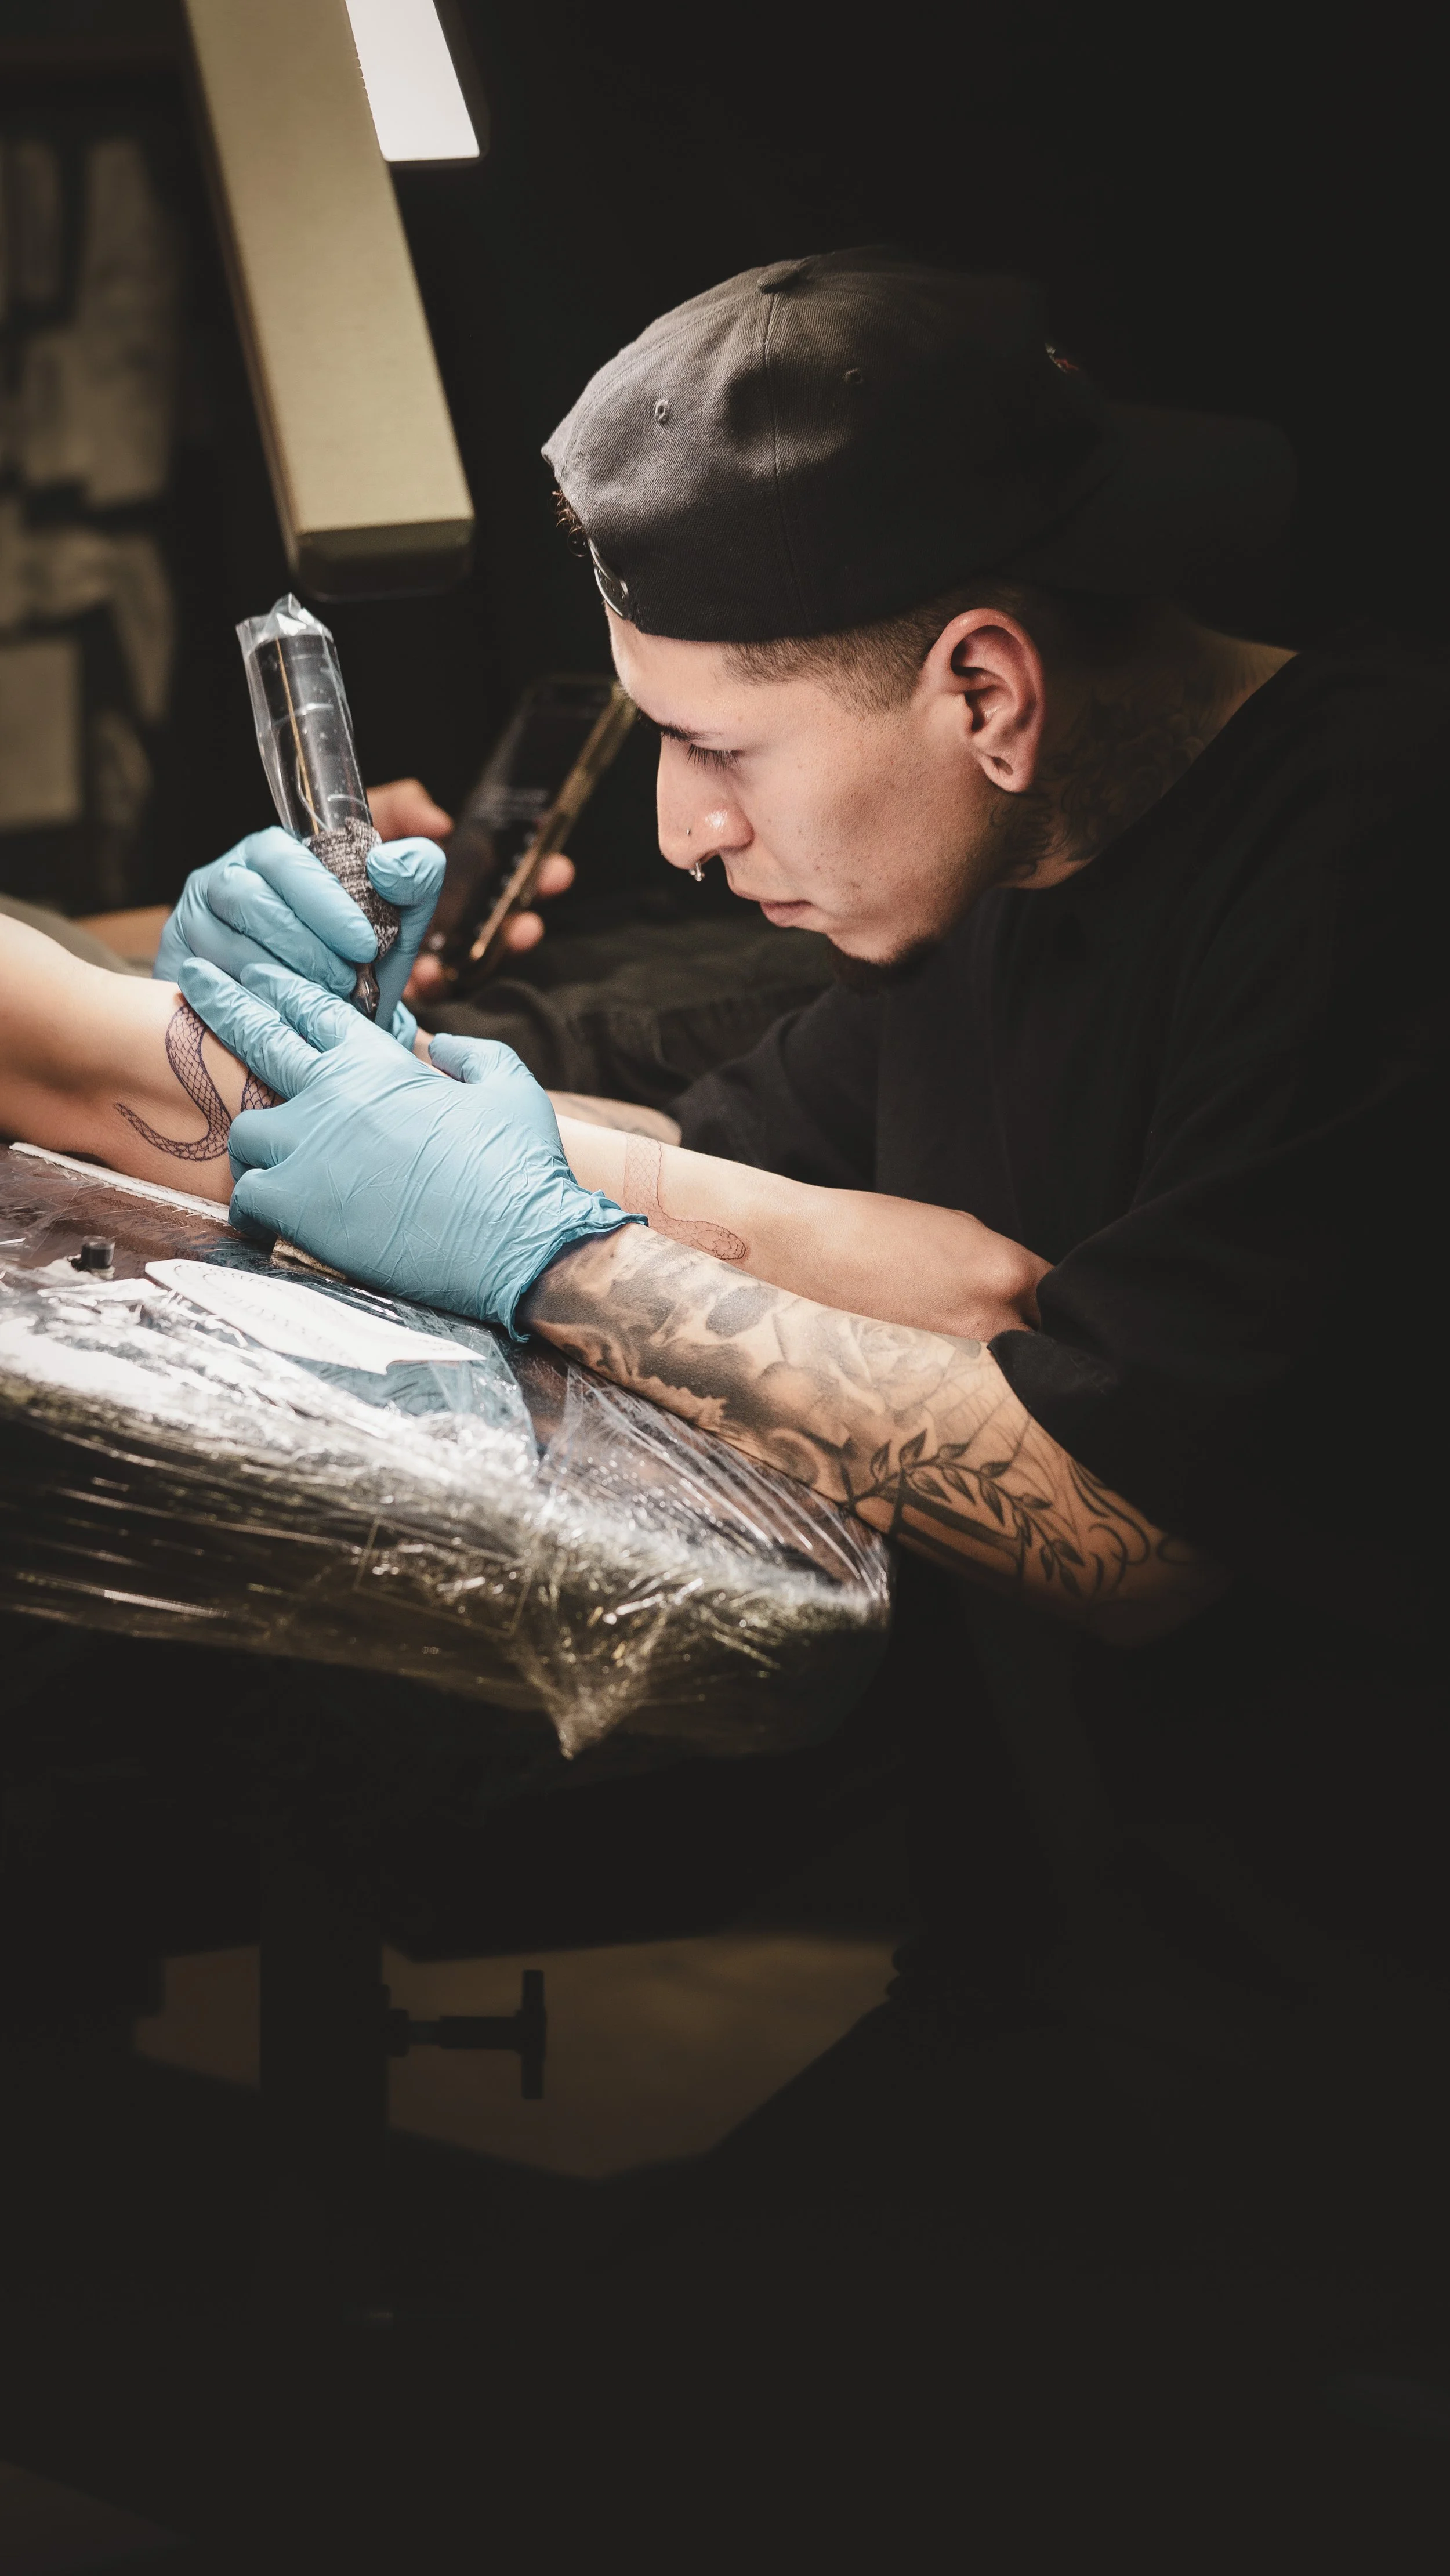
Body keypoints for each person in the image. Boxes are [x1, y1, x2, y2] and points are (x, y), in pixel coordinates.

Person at [162, 253, 1444, 1982]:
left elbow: (1135, 1523)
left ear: (985, 692)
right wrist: (366, 1061)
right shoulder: (1004, 860)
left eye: (720, 750)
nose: (682, 831)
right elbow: (718, 1164)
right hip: (1045, 1943)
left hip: (1336, 2009)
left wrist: (548, 1257)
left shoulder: (1375, 870)